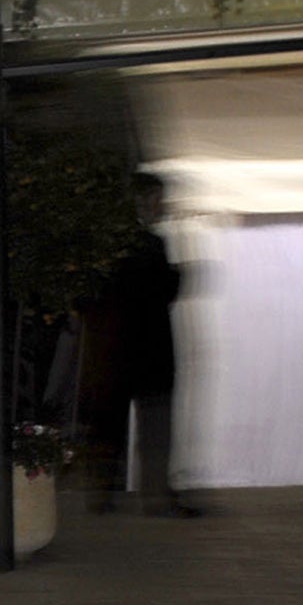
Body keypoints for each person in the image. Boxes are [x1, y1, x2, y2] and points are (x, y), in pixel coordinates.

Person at [105, 171, 198, 517]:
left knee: (116, 423)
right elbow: (163, 291)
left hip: (121, 346)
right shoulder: (148, 245)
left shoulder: (115, 244)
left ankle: (107, 493)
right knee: (155, 425)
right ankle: (155, 495)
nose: (163, 207)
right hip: (150, 348)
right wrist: (180, 273)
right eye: (158, 199)